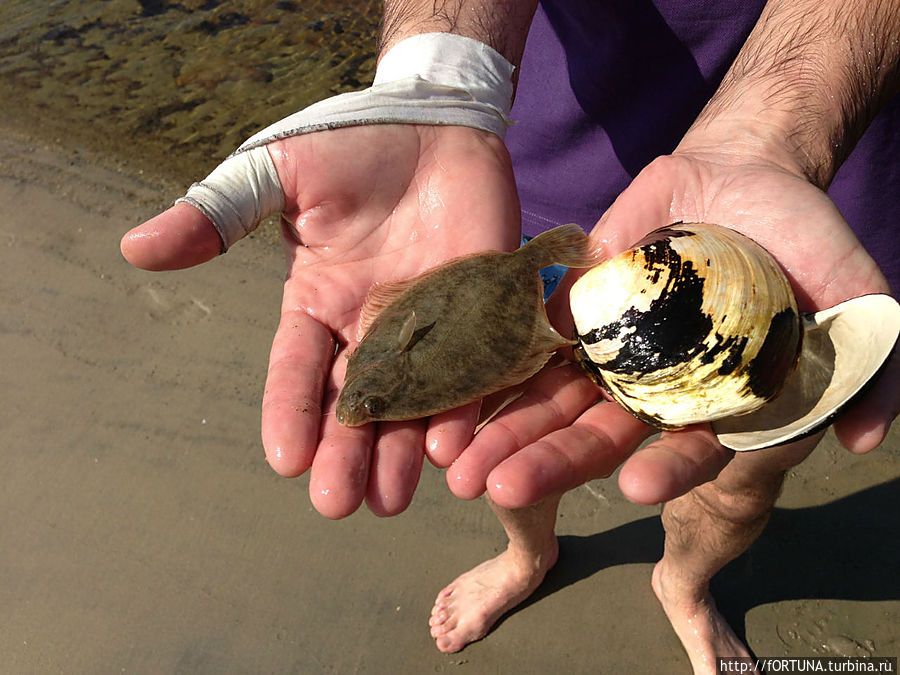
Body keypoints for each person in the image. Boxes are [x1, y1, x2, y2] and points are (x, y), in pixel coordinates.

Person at [120, 0, 899, 672]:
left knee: (746, 447)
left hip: (824, 142)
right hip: (573, 128)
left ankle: (684, 581)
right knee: (515, 437)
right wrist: (440, 77)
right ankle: (531, 554)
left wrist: (785, 127)